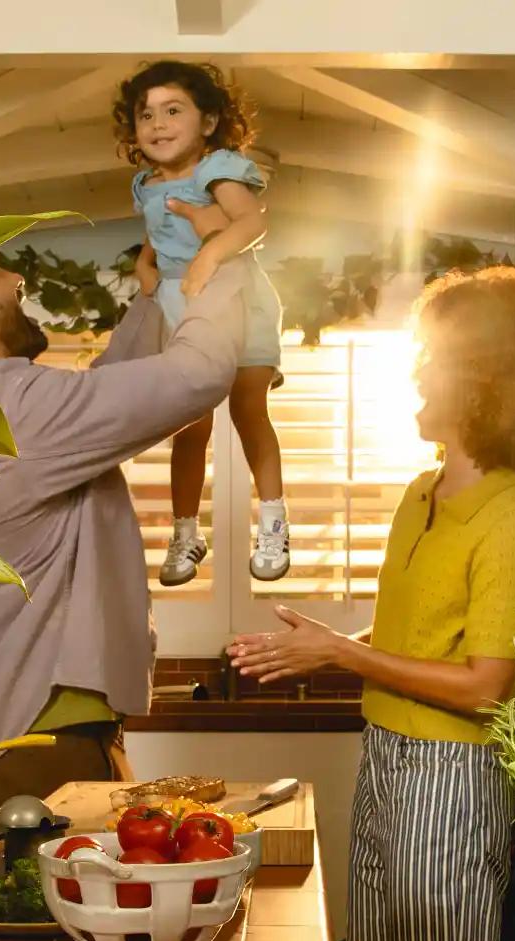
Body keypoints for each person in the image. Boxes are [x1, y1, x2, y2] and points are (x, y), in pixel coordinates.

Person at [226, 267, 515, 941]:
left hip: (452, 775)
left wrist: (338, 652)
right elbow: (419, 634)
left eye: (435, 357)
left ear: (483, 381)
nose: (419, 371)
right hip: (385, 757)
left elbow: (486, 686)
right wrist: (321, 645)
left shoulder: (512, 513)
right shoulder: (420, 493)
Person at [0, 201, 244, 805]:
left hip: (30, 734)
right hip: (42, 744)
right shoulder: (11, 412)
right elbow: (198, 375)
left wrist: (152, 299)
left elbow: (103, 401)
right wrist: (219, 261)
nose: (14, 278)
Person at [114, 60, 291, 587]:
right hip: (181, 303)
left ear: (209, 121)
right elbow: (161, 230)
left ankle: (273, 525)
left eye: (173, 111)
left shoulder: (218, 170)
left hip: (235, 295)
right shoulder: (147, 184)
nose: (158, 124)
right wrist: (145, 264)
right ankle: (185, 533)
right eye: (146, 114)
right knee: (189, 424)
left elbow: (252, 223)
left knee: (248, 409)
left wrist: (209, 257)